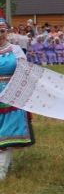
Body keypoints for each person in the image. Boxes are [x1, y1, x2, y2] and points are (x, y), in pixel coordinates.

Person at [0, 18, 34, 180]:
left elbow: (25, 70)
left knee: (7, 131)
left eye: (2, 31)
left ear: (7, 32)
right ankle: (5, 165)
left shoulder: (15, 50)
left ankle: (2, 171)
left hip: (11, 94)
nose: (0, 34)